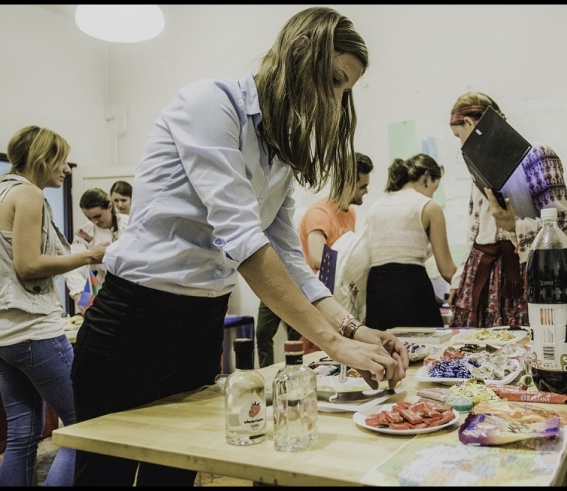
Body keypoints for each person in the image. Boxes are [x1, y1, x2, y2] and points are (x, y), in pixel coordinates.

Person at [70, 7, 409, 486]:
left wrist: (352, 329)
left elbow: (288, 257)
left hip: (200, 323)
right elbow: (243, 241)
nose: (336, 103)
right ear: (300, 51)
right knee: (106, 475)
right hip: (134, 320)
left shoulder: (279, 150)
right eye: (334, 81)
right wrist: (333, 344)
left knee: (175, 474)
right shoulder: (211, 105)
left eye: (345, 91)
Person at [0, 125, 107, 486]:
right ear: (42, 159)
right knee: (85, 427)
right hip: (31, 332)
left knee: (22, 435)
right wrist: (90, 256)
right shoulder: (29, 194)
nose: (66, 169)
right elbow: (28, 265)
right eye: (62, 160)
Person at [447, 91, 567, 328]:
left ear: (469, 123)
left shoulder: (537, 154)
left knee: (521, 341)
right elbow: (474, 230)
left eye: (458, 135)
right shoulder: (477, 165)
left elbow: (562, 225)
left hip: (521, 269)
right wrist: (459, 278)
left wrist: (515, 226)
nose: (461, 144)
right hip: (480, 271)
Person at [256, 152, 373, 367]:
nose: (366, 191)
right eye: (362, 186)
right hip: (305, 291)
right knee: (266, 334)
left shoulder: (351, 214)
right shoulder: (319, 213)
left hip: (328, 295)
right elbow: (318, 259)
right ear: (348, 181)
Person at [362, 153, 457, 330]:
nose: (432, 195)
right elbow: (446, 269)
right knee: (426, 344)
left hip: (376, 289)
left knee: (382, 345)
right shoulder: (429, 207)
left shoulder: (375, 207)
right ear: (427, 178)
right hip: (410, 286)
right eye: (434, 188)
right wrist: (464, 285)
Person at [64, 188, 129, 312]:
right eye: (89, 218)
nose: (95, 221)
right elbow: (73, 265)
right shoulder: (85, 233)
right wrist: (78, 293)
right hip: (104, 289)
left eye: (97, 216)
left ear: (110, 206)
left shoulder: (131, 224)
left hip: (132, 287)